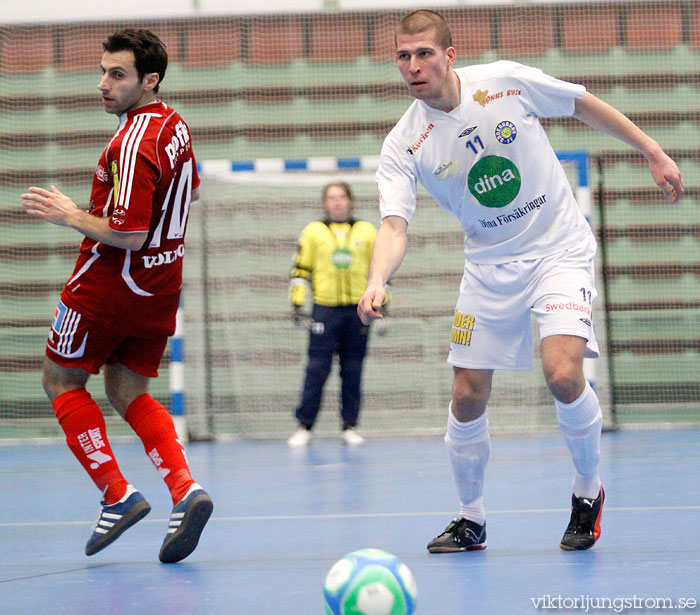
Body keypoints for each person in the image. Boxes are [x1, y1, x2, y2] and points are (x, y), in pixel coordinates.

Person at [358, 10, 683, 552]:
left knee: (561, 373)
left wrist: (651, 150)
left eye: (424, 54)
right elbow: (394, 223)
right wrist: (376, 279)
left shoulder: (505, 82)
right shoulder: (404, 143)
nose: (413, 66)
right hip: (488, 266)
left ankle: (587, 490)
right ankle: (471, 518)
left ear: (449, 55)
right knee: (466, 393)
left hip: (559, 249)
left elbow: (581, 103)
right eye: (403, 56)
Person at [21, 29, 213, 563]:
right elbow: (192, 189)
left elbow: (127, 232)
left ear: (149, 80)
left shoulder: (133, 140)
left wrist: (69, 214)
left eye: (117, 74)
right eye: (104, 71)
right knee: (129, 392)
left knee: (60, 379)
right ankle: (185, 489)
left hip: (110, 283)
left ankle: (117, 494)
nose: (103, 84)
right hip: (160, 286)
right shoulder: (175, 126)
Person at [288, 182, 384, 448]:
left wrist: (381, 304)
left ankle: (350, 426)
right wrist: (297, 306)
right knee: (316, 370)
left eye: (342, 197)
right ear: (324, 202)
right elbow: (300, 270)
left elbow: (380, 271)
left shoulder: (367, 231)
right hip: (324, 309)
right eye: (331, 198)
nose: (337, 202)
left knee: (353, 370)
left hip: (358, 310)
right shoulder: (312, 232)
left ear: (351, 201)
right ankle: (304, 426)